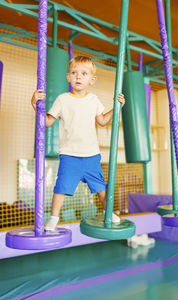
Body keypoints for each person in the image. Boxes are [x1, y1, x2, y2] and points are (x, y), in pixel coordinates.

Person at [31, 55, 125, 231]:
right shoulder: (62, 99)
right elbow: (47, 122)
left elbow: (103, 120)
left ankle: (107, 212)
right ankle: (53, 218)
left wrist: (117, 108)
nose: (78, 77)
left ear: (92, 79)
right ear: (68, 77)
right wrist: (35, 104)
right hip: (69, 155)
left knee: (101, 189)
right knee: (61, 188)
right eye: (74, 73)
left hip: (91, 155)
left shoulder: (94, 100)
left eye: (84, 74)